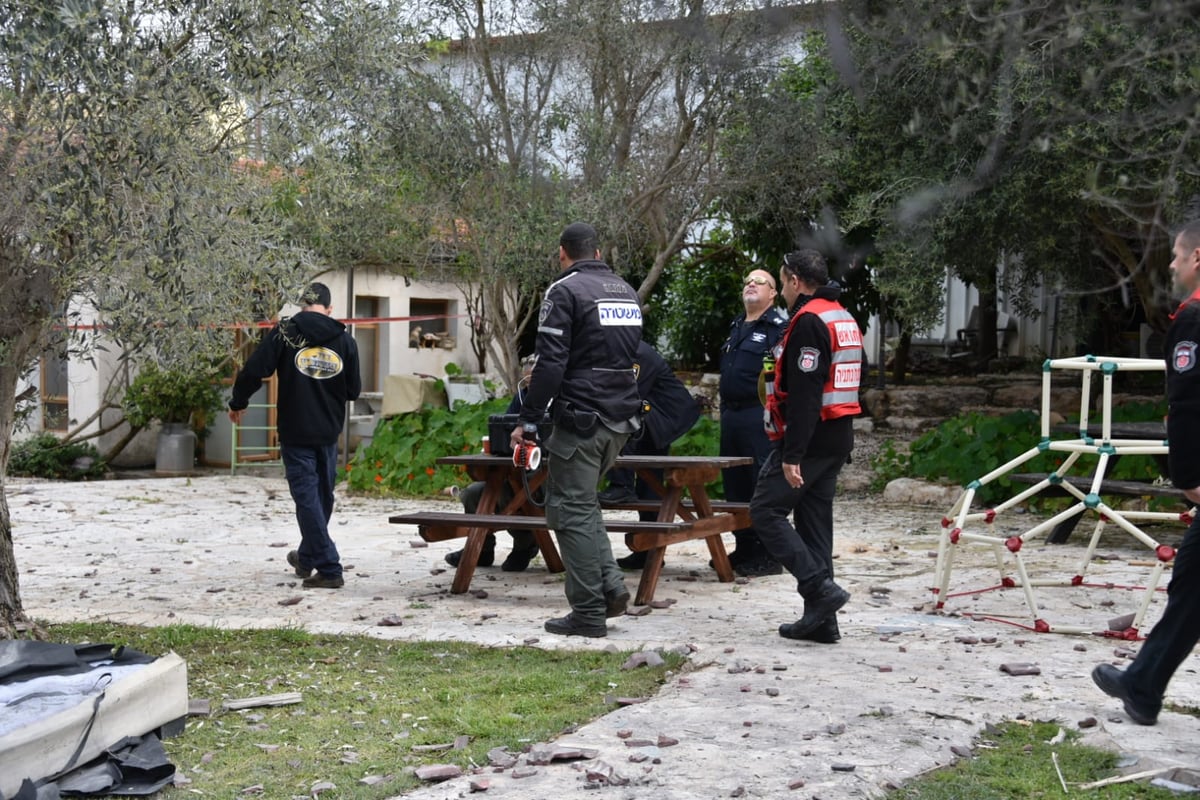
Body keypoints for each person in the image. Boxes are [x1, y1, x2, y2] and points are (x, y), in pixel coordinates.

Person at [509, 222, 643, 637]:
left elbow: (550, 364)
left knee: (567, 509)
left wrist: (529, 419)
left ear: (562, 253)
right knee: (584, 505)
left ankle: (587, 611)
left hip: (582, 419)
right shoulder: (626, 291)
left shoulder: (563, 291)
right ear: (598, 253)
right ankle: (609, 589)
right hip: (620, 417)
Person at [1091, 219, 1200, 724]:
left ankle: (1144, 683)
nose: (1173, 266)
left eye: (1177, 256)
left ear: (1197, 258)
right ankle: (1144, 684)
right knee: (1192, 583)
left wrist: (1188, 478)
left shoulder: (1193, 319)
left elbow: (1187, 406)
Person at [749, 250, 862, 644]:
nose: (780, 290)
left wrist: (792, 453)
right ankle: (822, 622)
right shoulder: (841, 315)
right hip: (837, 435)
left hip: (812, 438)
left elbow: (805, 393)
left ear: (796, 280)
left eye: (781, 282)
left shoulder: (810, 321)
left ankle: (819, 588)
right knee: (814, 526)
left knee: (765, 511)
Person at [228, 282, 361, 589]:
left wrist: (238, 402)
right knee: (321, 498)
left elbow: (254, 369)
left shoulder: (286, 332)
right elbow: (353, 391)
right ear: (329, 310)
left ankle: (328, 567)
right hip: (328, 432)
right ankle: (307, 557)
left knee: (308, 499)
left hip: (295, 430)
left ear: (302, 306)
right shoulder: (344, 339)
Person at [601, 340, 702, 570]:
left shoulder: (637, 354)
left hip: (667, 417)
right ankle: (647, 550)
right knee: (650, 483)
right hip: (652, 414)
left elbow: (624, 398)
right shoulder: (619, 350)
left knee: (624, 426)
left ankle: (621, 487)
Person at [719, 268, 789, 577]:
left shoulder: (778, 328)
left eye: (760, 281)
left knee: (760, 483)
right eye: (747, 279)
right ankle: (744, 547)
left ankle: (768, 554)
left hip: (758, 413)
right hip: (731, 415)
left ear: (773, 293)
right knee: (735, 484)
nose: (751, 283)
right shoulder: (737, 325)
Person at [444, 361, 539, 572]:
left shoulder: (561, 401)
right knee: (473, 493)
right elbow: (506, 429)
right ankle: (481, 549)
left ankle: (524, 547)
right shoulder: (521, 398)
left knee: (518, 496)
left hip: (546, 478)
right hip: (515, 470)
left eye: (536, 377)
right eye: (527, 377)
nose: (530, 381)